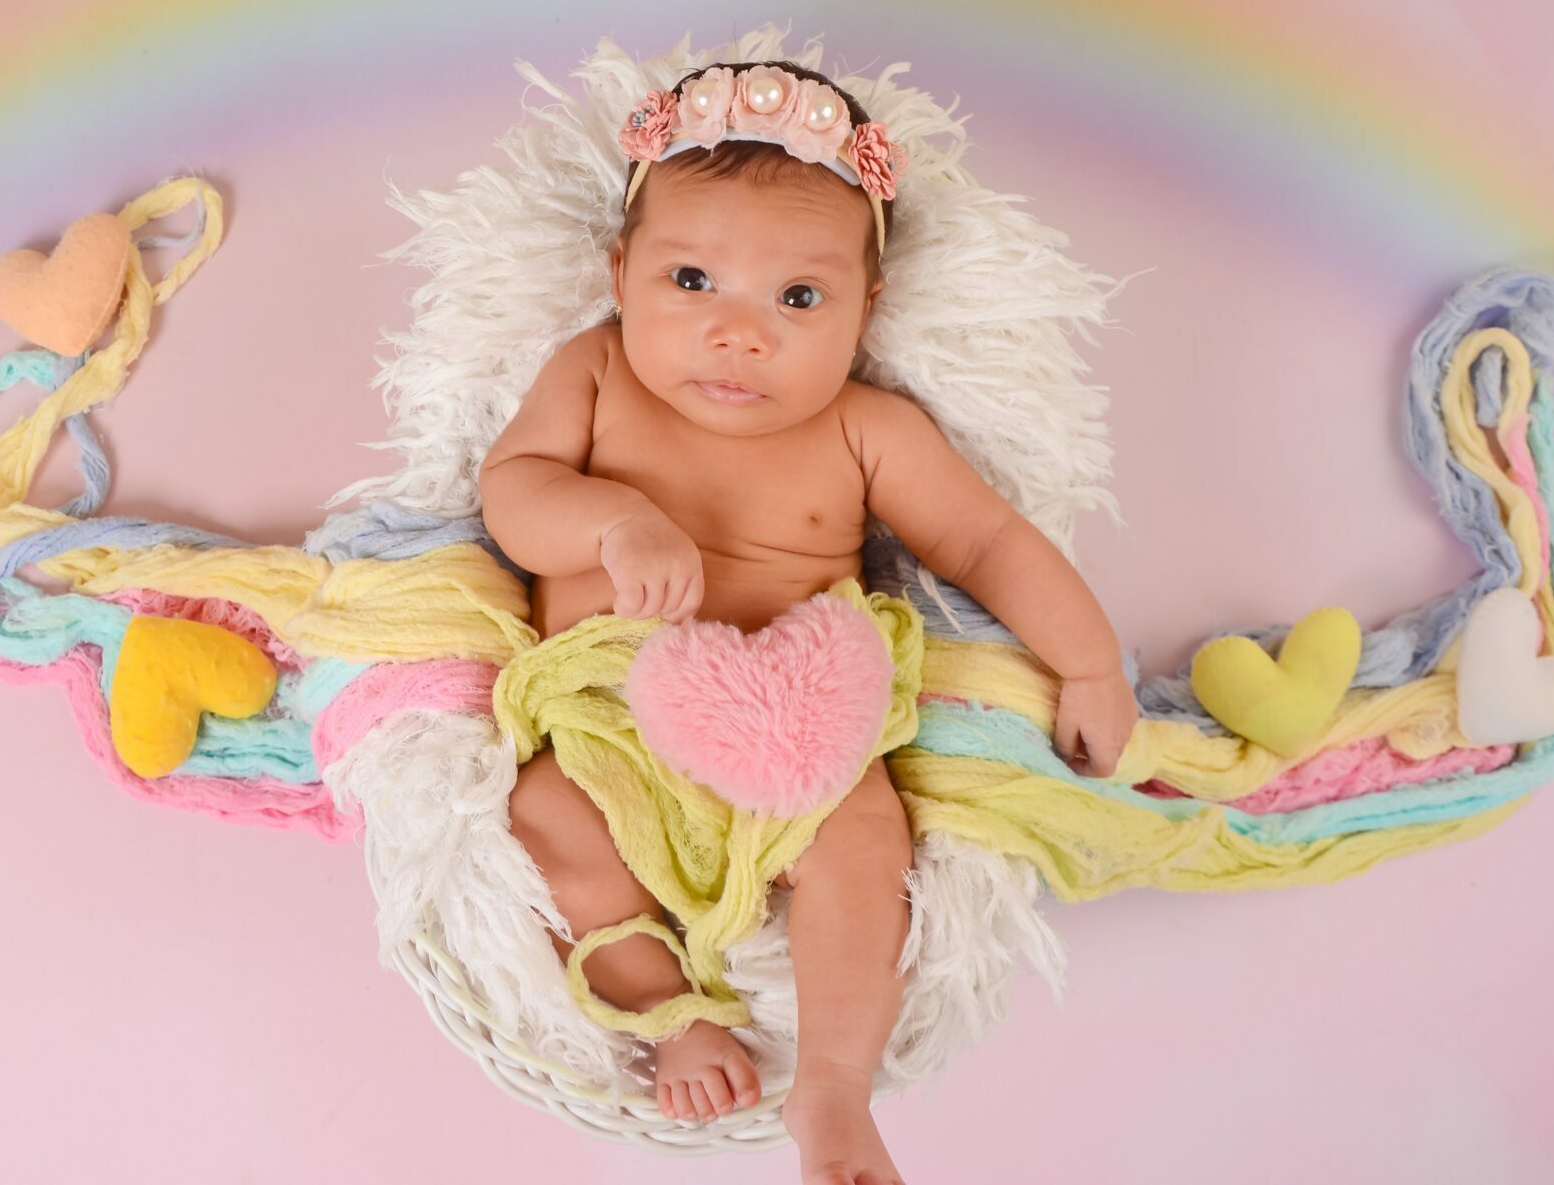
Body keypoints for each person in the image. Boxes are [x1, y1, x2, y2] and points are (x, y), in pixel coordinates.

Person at [480, 59, 1139, 1185]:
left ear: (865, 311)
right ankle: (670, 1010)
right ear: (620, 274)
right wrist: (614, 524)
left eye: (797, 299)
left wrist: (1089, 664)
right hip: (612, 720)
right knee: (547, 815)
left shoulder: (868, 430)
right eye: (693, 279)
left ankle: (833, 1084)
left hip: (799, 733)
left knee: (864, 838)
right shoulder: (594, 375)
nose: (739, 334)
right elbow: (513, 491)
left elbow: (987, 542)